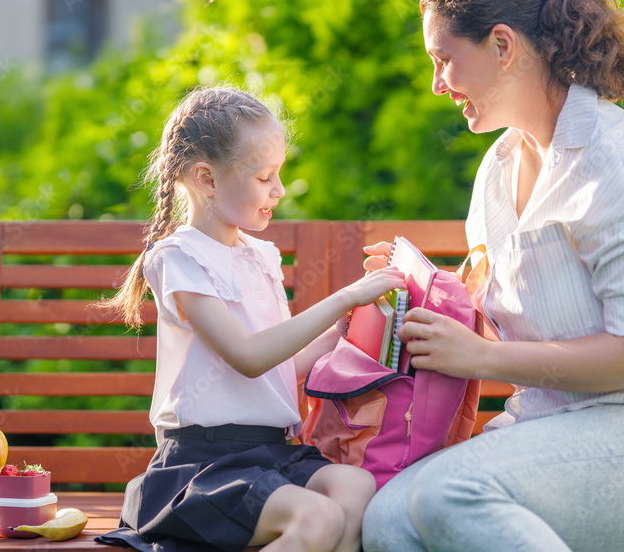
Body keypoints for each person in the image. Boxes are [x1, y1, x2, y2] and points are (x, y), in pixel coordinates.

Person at [361, 0, 624, 550]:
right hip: (550, 430)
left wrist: (478, 358)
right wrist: (417, 294)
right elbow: (493, 306)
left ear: (502, 45)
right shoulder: (498, 167)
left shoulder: (621, 164)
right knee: (386, 520)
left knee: (448, 494)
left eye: (444, 60)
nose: (436, 84)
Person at [95, 86, 404, 552]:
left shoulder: (260, 256)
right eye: (265, 177)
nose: (279, 190)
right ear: (208, 180)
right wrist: (344, 297)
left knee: (356, 491)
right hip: (205, 464)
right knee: (317, 516)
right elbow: (248, 357)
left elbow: (279, 370)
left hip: (274, 454)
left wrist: (348, 327)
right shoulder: (179, 259)